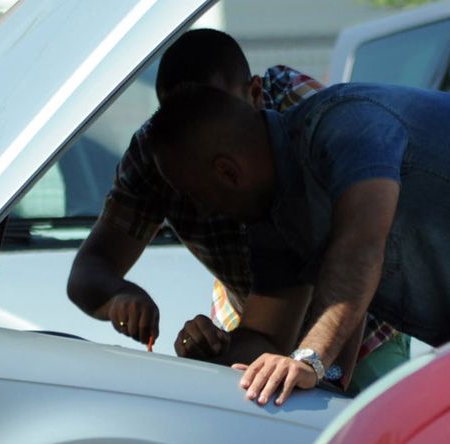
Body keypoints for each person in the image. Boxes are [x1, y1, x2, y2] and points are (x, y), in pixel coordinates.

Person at [148, 82, 450, 405]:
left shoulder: (345, 125)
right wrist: (219, 355)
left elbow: (360, 245)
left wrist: (309, 361)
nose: (203, 213)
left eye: (195, 196)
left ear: (227, 172)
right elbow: (270, 340)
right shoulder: (275, 215)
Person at [67, 29, 408, 389]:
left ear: (256, 95)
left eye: (214, 114)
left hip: (359, 328)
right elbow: (90, 269)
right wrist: (121, 299)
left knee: (374, 422)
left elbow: (357, 250)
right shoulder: (161, 151)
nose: (195, 143)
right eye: (178, 118)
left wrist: (322, 367)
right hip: (253, 328)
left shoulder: (307, 116)